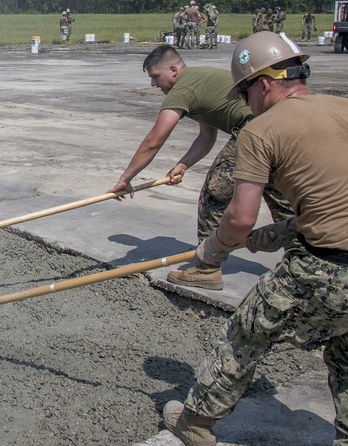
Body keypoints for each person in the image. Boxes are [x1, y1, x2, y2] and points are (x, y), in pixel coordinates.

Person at [162, 30, 348, 446]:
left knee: (246, 332)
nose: (246, 104)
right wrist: (285, 230)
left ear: (262, 85)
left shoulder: (262, 130)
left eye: (244, 94)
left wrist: (211, 253)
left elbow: (237, 218)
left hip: (330, 272)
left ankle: (196, 421)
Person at [107, 44, 292, 290]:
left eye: (155, 77)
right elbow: (207, 137)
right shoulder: (200, 79)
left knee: (215, 194)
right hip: (276, 129)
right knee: (282, 201)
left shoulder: (181, 91)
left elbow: (154, 140)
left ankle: (207, 268)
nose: (153, 84)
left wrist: (126, 178)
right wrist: (183, 164)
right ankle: (299, 261)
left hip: (252, 132)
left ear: (173, 70)